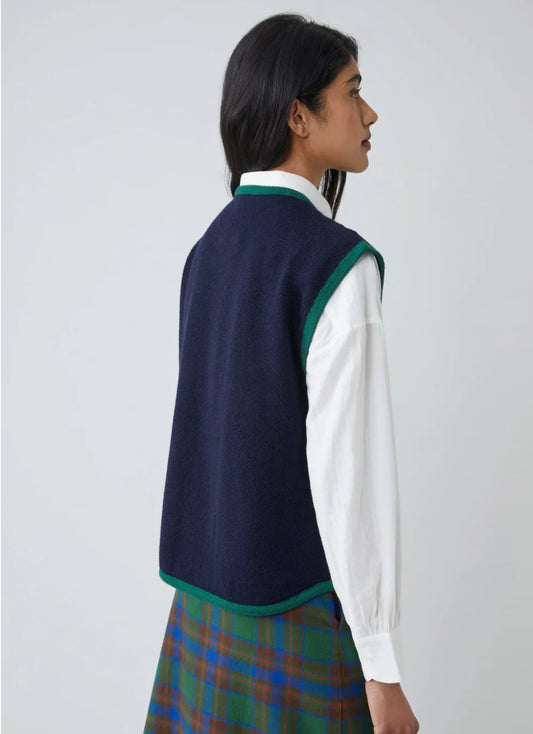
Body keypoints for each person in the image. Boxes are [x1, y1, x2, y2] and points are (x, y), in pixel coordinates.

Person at [144, 12, 420, 734]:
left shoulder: (209, 248)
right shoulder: (336, 264)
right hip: (294, 614)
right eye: (351, 91)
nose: (369, 113)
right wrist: (380, 667)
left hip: (202, 609)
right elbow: (349, 476)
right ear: (299, 116)